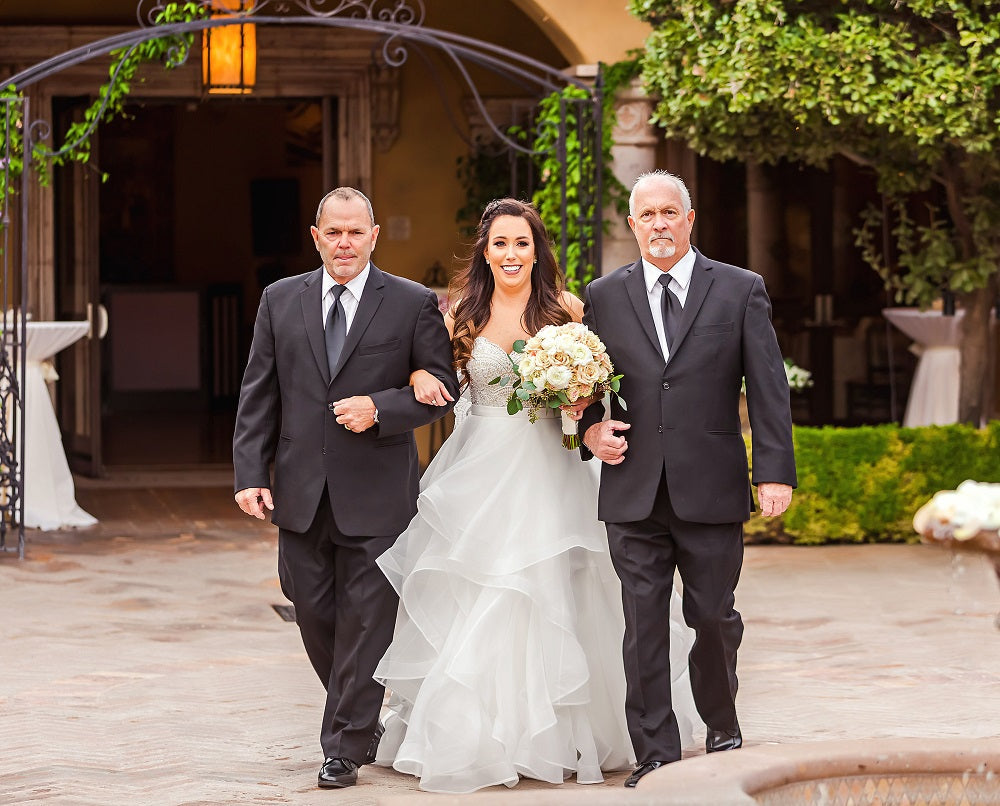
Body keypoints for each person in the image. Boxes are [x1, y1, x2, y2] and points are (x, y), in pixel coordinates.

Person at [371, 198, 700, 794]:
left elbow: (605, 384)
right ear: (485, 251)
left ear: (536, 250)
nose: (511, 255)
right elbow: (429, 375)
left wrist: (581, 405)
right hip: (480, 471)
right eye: (500, 244)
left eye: (521, 243)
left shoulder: (567, 309)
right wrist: (420, 374)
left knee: (563, 587)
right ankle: (483, 738)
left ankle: (572, 735)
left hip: (554, 467)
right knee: (485, 588)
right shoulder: (460, 315)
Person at [232, 187, 459, 790]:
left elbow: (441, 386)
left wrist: (380, 408)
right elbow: (261, 391)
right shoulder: (280, 300)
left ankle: (345, 744)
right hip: (300, 490)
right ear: (316, 237)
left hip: (378, 492)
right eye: (333, 232)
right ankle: (358, 714)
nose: (344, 243)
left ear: (374, 236)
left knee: (366, 621)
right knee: (312, 611)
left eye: (355, 232)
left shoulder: (411, 303)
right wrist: (250, 473)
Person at [578, 170, 797, 788]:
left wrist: (773, 471)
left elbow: (769, 386)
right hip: (633, 486)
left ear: (689, 218)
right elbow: (589, 387)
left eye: (669, 213)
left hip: (712, 485)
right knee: (642, 622)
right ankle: (655, 751)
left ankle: (721, 725)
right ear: (632, 226)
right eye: (646, 216)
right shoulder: (604, 296)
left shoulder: (739, 290)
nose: (659, 225)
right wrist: (592, 431)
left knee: (713, 615)